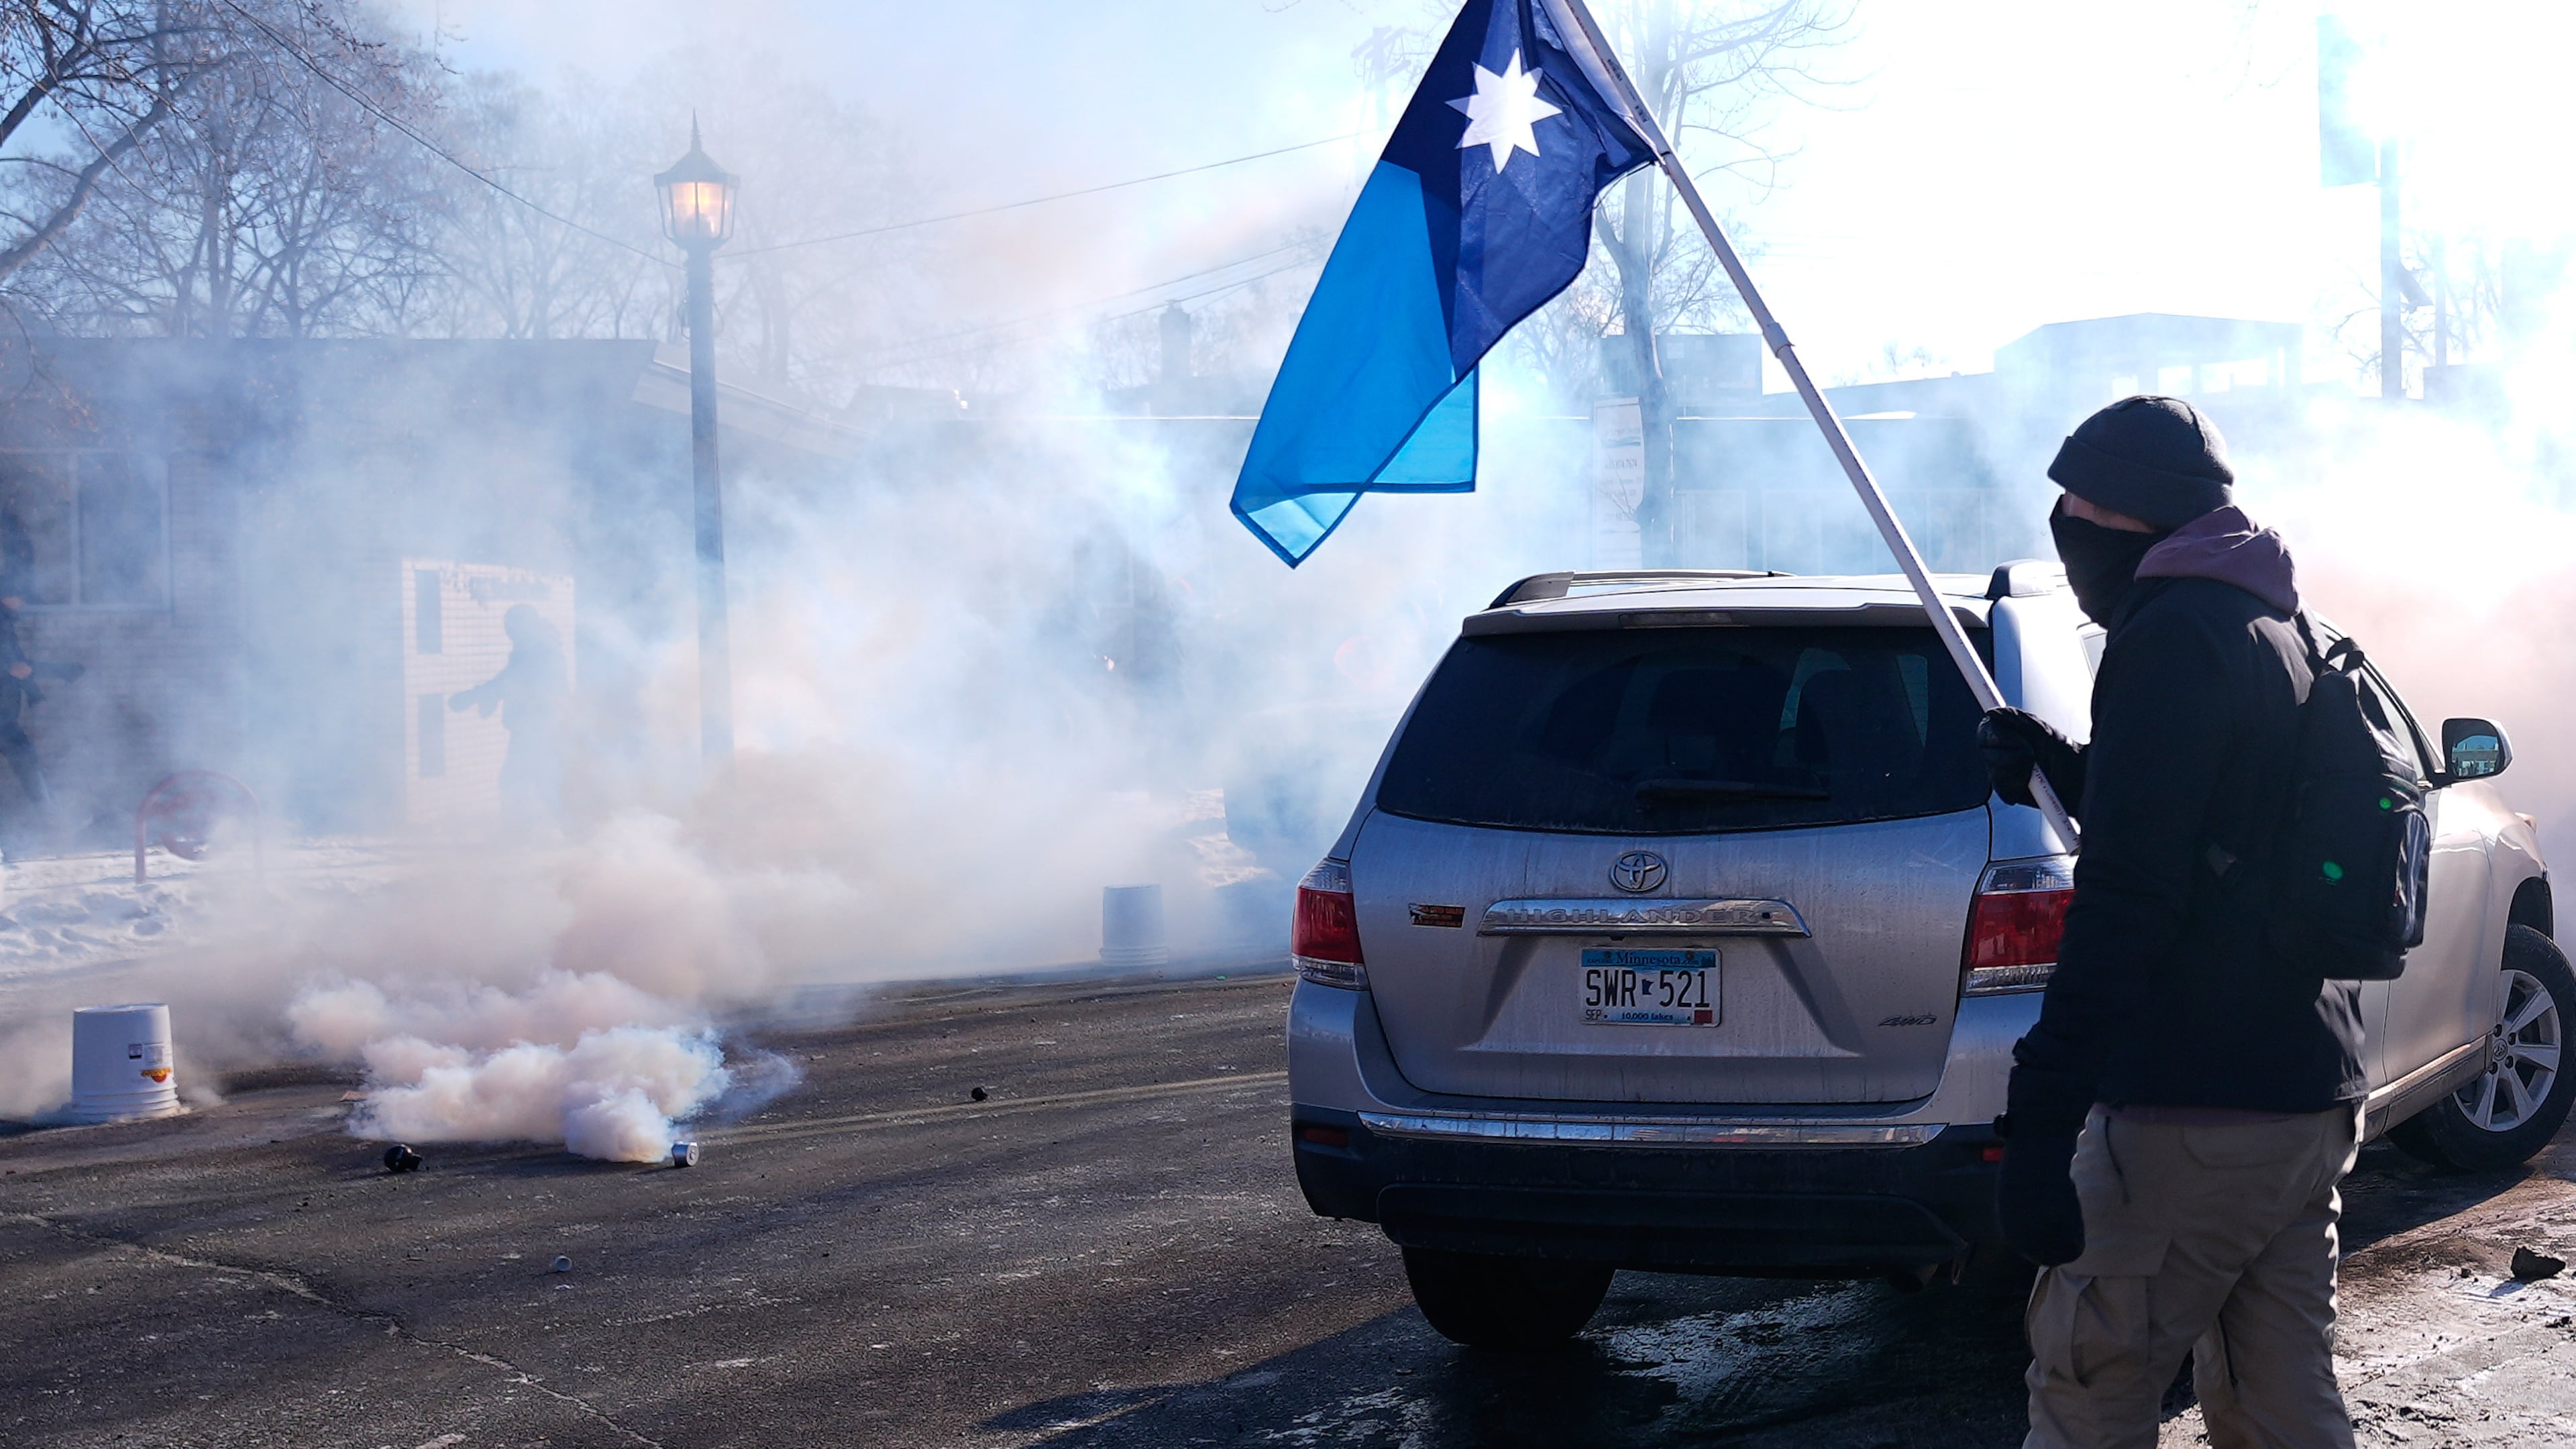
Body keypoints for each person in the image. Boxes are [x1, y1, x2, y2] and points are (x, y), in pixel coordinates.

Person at [1982, 396, 2363, 1448]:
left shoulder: (2168, 639)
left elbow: (2130, 897)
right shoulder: (2275, 620)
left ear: (2131, 515)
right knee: (2279, 1406)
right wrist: (2062, 761)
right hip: (2304, 1092)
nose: (2062, 522)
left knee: (2087, 1393)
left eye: (2077, 505)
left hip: (2189, 1111)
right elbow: (2218, 823)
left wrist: (2042, 1114)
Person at [449, 604, 568, 824]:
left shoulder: (539, 652)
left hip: (538, 727)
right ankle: (550, 829)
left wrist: (476, 696)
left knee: (523, 780)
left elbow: (512, 682)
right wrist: (485, 698)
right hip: (534, 727)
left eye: (514, 627)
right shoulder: (532, 649)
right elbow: (508, 681)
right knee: (534, 780)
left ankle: (530, 831)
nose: (510, 632)